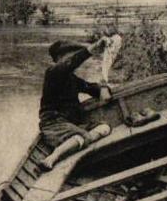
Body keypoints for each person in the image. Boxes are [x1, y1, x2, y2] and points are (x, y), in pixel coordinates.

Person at [38, 38, 113, 170]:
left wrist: (103, 86)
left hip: (71, 123)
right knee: (80, 136)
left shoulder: (72, 79)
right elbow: (72, 62)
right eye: (69, 56)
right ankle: (51, 159)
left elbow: (92, 89)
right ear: (59, 58)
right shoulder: (52, 73)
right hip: (54, 123)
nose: (72, 59)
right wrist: (93, 48)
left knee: (105, 127)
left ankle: (80, 141)